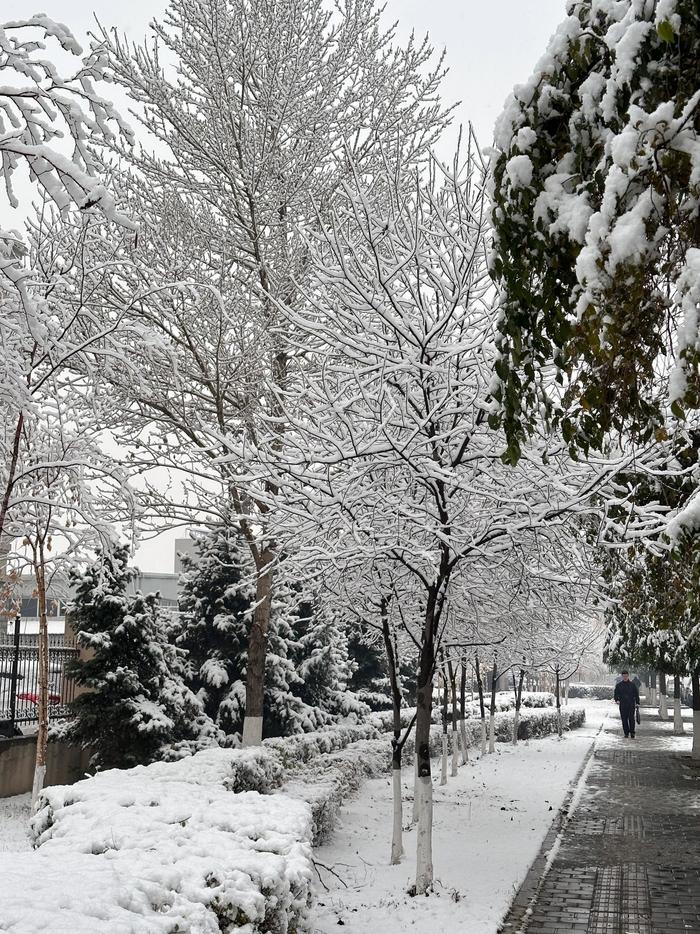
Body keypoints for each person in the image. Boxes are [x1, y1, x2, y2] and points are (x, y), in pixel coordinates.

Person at [614, 670, 640, 738]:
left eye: (626, 676)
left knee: (631, 719)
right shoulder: (619, 685)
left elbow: (636, 694)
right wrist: (617, 700)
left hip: (631, 704)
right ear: (622, 676)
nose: (625, 677)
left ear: (628, 676)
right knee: (624, 719)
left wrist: (637, 702)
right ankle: (626, 733)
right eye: (623, 676)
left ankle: (632, 732)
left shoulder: (632, 685)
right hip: (622, 705)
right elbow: (616, 694)